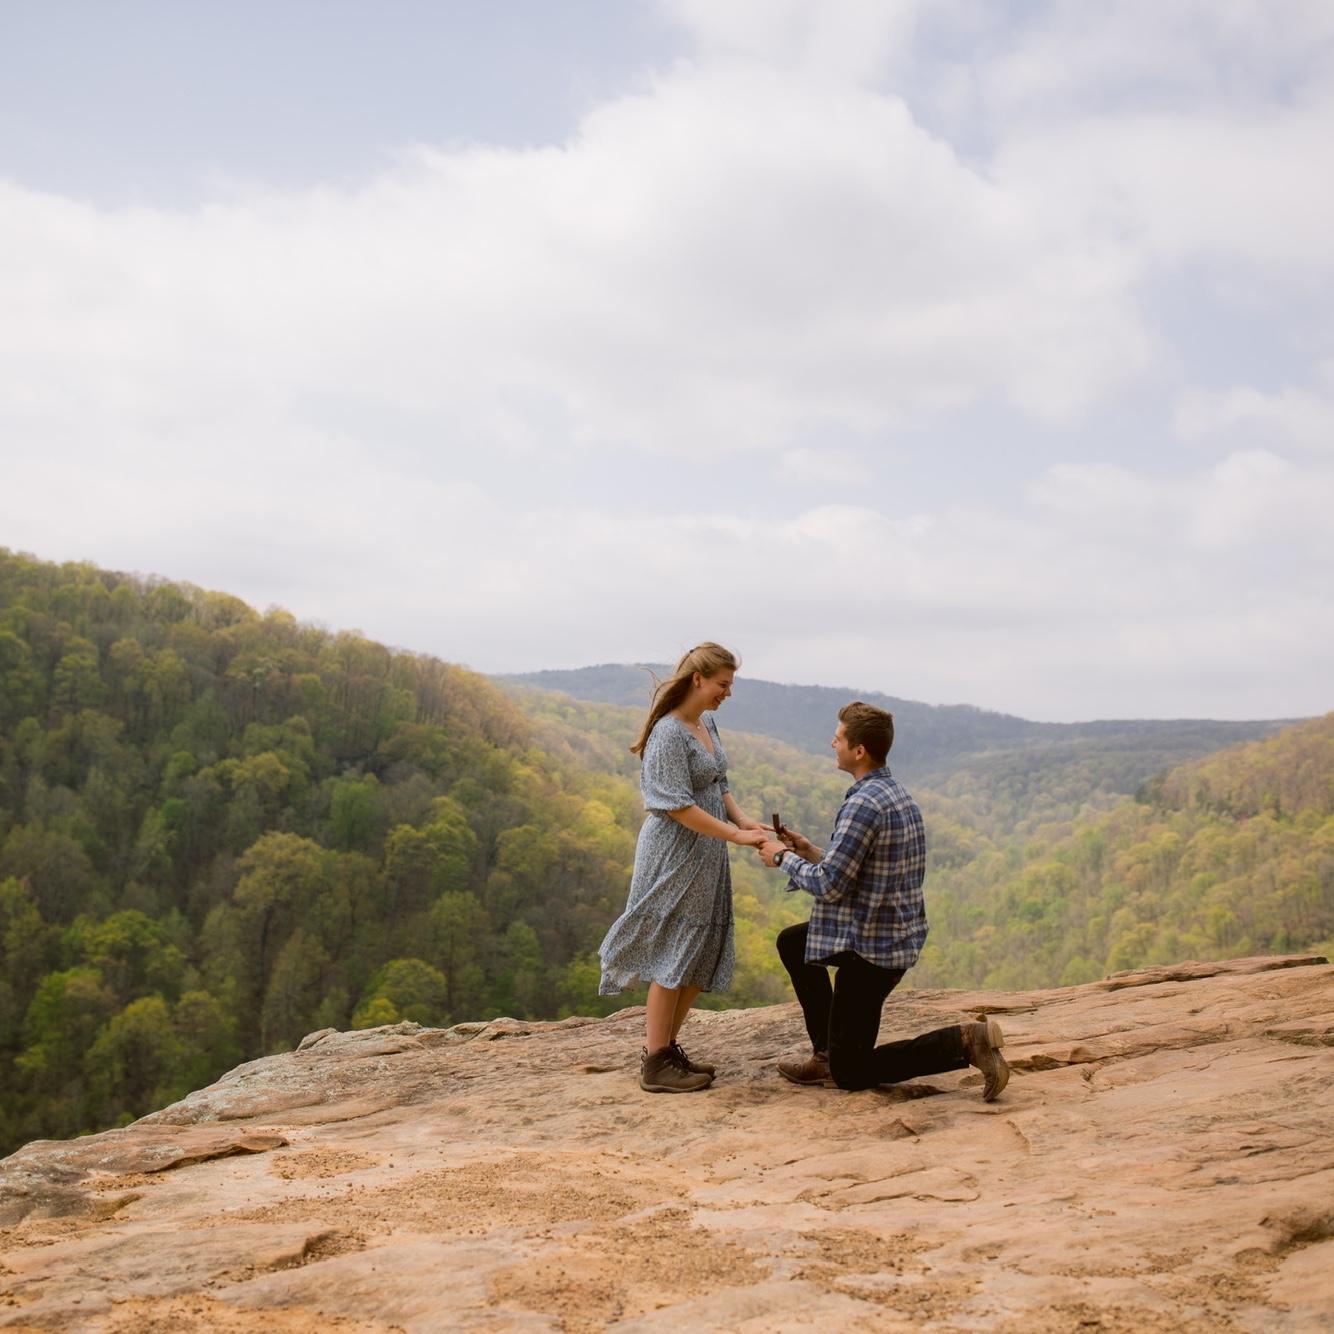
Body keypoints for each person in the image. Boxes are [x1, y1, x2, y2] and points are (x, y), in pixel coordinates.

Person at [757, 701, 1009, 1100]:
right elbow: (856, 868)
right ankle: (825, 1054)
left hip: (871, 952)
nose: (832, 743)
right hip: (888, 933)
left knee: (852, 1073)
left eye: (838, 739)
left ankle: (964, 1042)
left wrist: (781, 858)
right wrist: (808, 851)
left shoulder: (862, 804)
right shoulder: (893, 793)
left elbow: (829, 886)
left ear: (859, 751)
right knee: (793, 942)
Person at [599, 643, 770, 1093]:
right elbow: (673, 805)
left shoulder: (706, 723)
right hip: (674, 854)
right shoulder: (668, 734)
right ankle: (655, 1062)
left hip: (707, 852)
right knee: (673, 952)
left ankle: (668, 1049)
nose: (727, 693)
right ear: (699, 679)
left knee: (698, 949)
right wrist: (734, 835)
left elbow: (719, 781)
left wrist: (742, 819)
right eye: (723, 684)